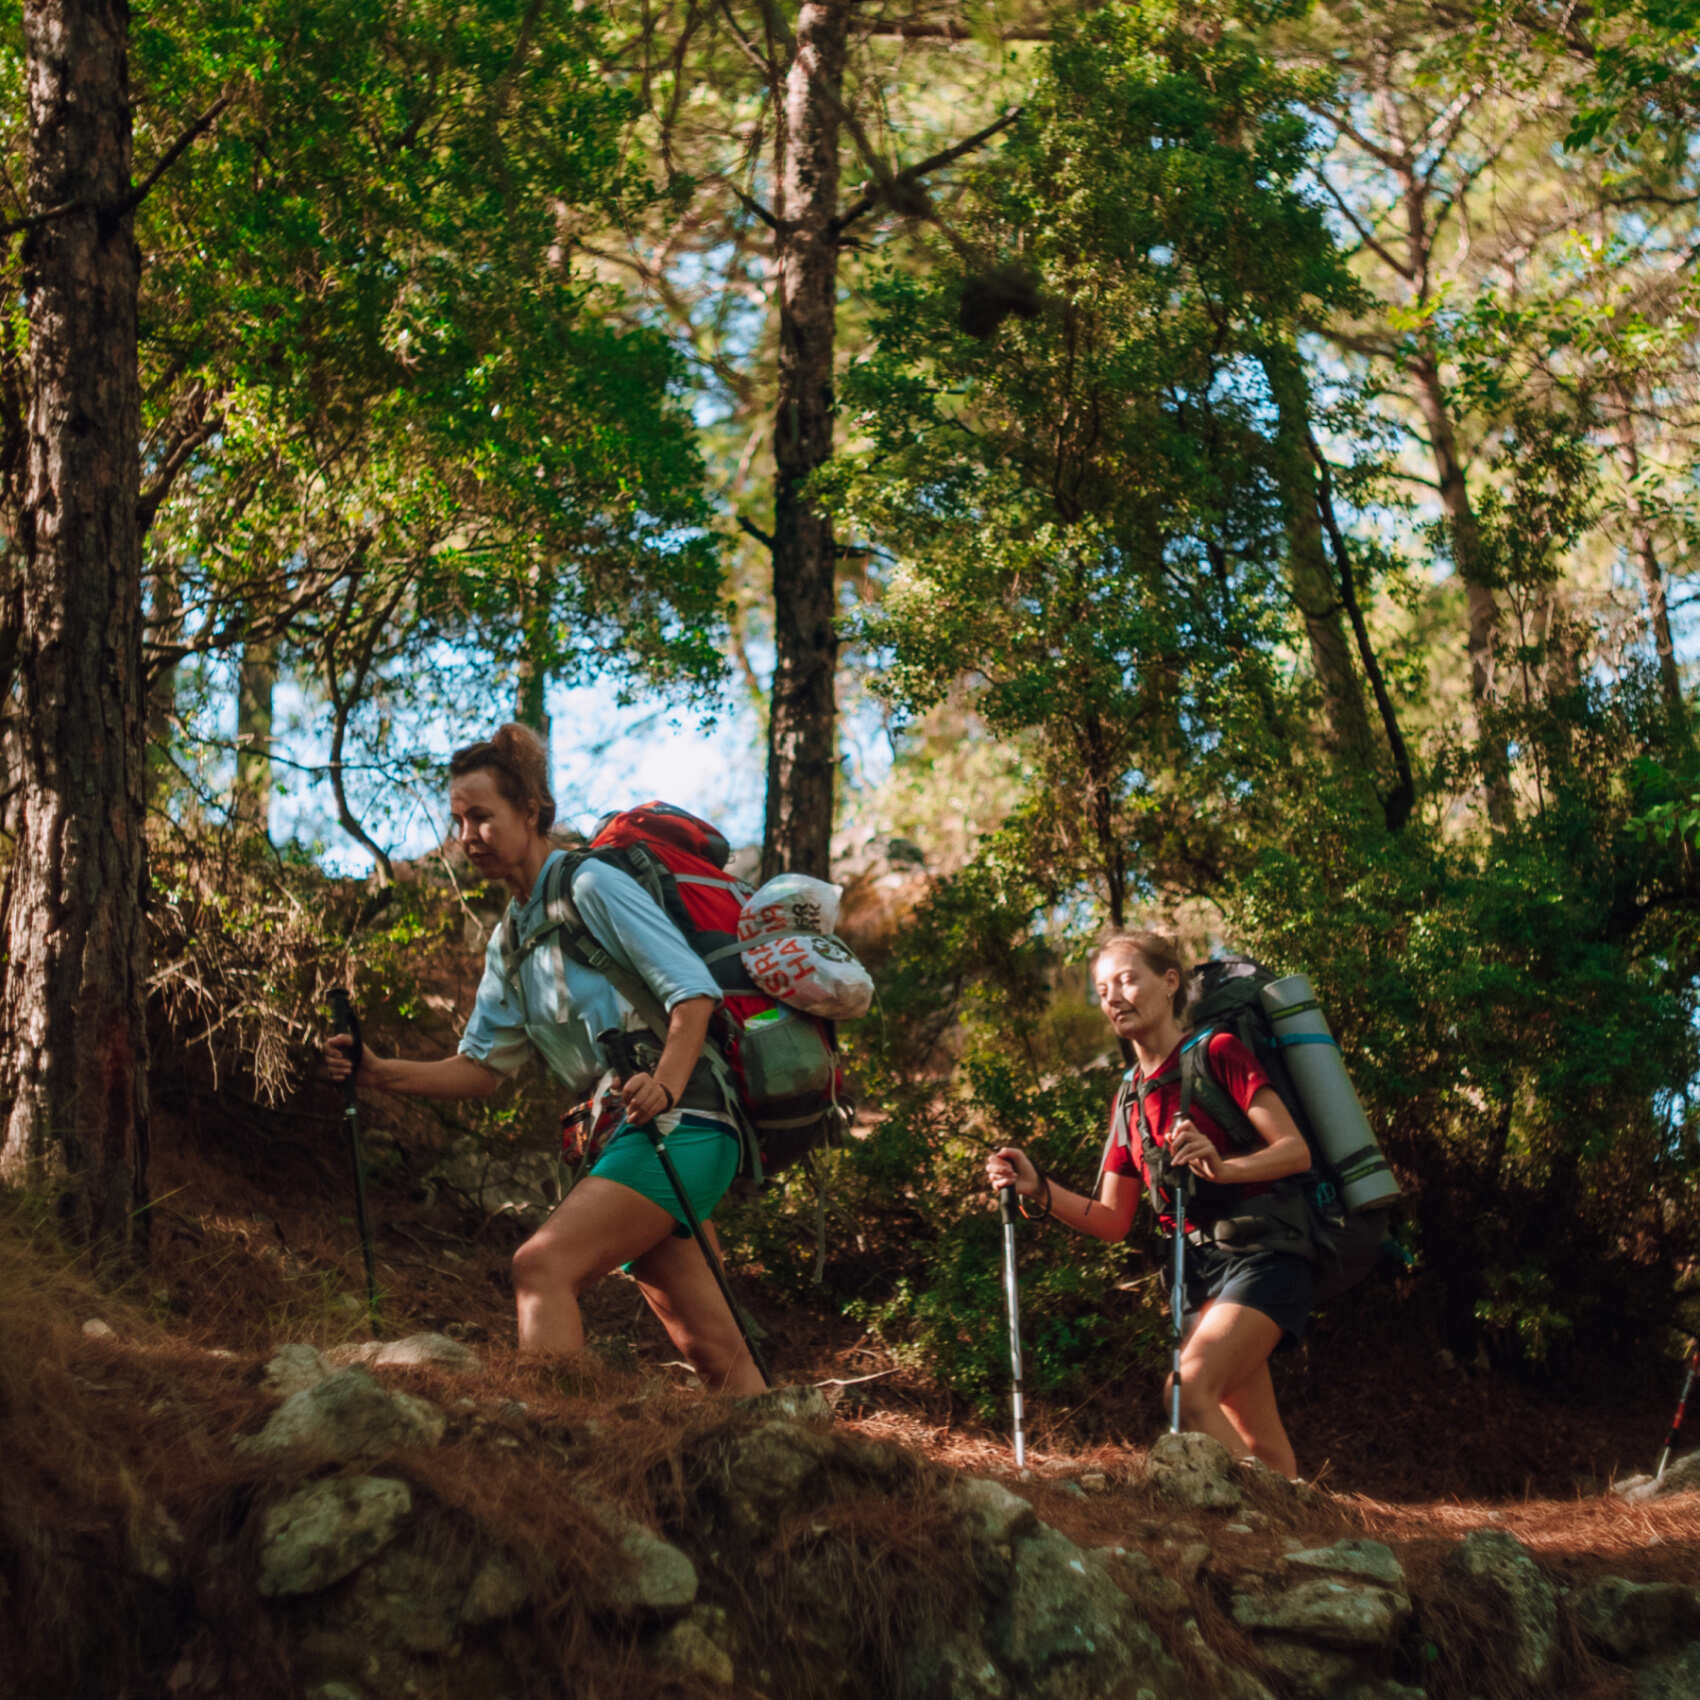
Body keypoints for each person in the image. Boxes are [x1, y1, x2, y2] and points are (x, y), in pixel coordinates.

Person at [324, 723, 763, 1394]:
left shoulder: (591, 885)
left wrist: (668, 1086)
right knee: (717, 1353)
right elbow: (482, 1068)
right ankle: (777, 1470)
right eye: (458, 820)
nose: (466, 836)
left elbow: (691, 992)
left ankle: (554, 1447)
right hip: (632, 1133)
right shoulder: (512, 937)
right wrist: (378, 1073)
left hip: (685, 1123)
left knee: (542, 1268)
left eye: (481, 817)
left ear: (530, 811)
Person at [985, 930, 1313, 1476]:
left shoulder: (1217, 1052)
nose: (1113, 996)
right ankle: (1294, 1543)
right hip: (1195, 1274)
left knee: (1186, 1394)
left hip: (1262, 1252)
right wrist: (1039, 1188)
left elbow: (1294, 1151)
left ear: (1168, 982)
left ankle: (1265, 1516)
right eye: (1102, 988)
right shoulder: (1130, 1095)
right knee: (1265, 1447)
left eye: (1127, 979)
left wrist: (1224, 1166)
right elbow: (1112, 1220)